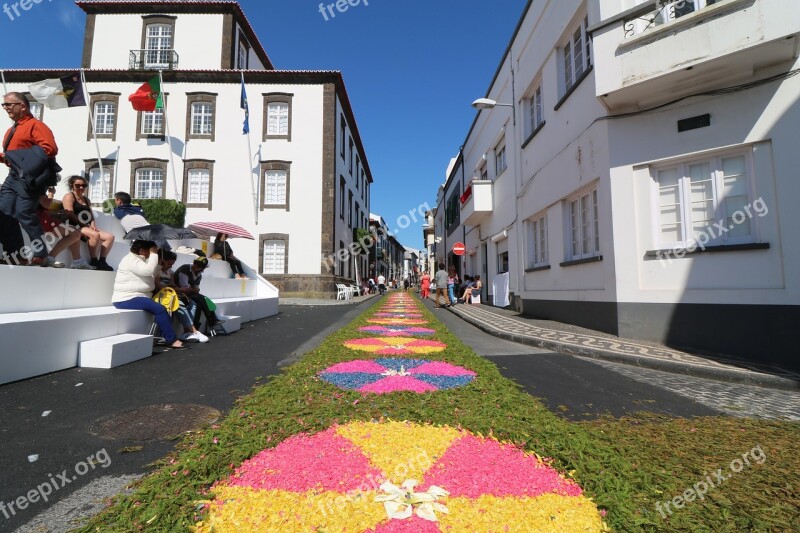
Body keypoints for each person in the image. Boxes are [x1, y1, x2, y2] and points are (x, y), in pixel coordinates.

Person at [0, 92, 59, 266]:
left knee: (24, 212)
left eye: (9, 104)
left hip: (30, 178)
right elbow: (12, 158)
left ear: (23, 106)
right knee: (2, 214)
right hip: (13, 176)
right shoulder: (11, 130)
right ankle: (15, 254)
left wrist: (23, 162)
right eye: (4, 105)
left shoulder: (36, 125)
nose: (6, 108)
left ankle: (41, 253)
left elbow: (50, 148)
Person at [111, 240, 187, 350]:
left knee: (171, 304)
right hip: (127, 298)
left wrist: (157, 260)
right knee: (160, 309)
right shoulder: (130, 259)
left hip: (141, 296)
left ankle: (165, 336)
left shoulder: (140, 260)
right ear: (141, 250)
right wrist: (154, 254)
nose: (150, 254)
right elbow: (147, 271)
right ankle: (172, 340)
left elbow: (153, 273)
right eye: (149, 251)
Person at [61, 175, 115, 271]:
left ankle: (102, 261)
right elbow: (69, 214)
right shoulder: (69, 196)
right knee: (95, 235)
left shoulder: (86, 199)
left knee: (110, 237)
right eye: (78, 185)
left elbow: (91, 214)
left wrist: (93, 225)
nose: (81, 187)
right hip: (73, 225)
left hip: (86, 226)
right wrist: (84, 224)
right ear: (71, 185)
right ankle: (94, 260)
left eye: (84, 185)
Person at [156, 250, 209, 343]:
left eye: (172, 264)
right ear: (162, 261)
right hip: (160, 295)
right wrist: (180, 290)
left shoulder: (170, 272)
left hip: (170, 293)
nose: (171, 266)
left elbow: (172, 285)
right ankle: (193, 330)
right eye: (169, 264)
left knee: (193, 303)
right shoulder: (157, 271)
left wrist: (179, 290)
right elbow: (158, 286)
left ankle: (187, 332)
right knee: (179, 303)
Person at [36, 186, 84, 268]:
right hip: (40, 219)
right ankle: (50, 257)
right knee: (75, 233)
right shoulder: (37, 187)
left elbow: (45, 208)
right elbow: (47, 204)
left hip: (44, 217)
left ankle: (77, 261)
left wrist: (58, 213)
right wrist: (51, 193)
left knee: (76, 232)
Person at [173, 256, 224, 330]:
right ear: (194, 262)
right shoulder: (185, 269)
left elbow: (196, 288)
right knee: (201, 298)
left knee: (199, 304)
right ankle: (212, 320)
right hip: (180, 292)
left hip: (189, 293)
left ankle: (196, 327)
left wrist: (193, 289)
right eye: (196, 263)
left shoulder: (199, 273)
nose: (196, 266)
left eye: (199, 266)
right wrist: (193, 289)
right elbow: (185, 287)